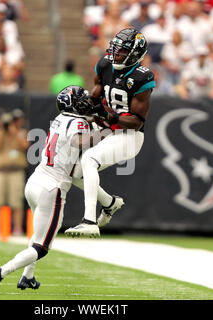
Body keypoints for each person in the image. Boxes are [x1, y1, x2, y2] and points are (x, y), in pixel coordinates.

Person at [0, 86, 116, 294]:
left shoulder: (59, 119)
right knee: (42, 248)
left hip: (35, 181)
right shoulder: (78, 122)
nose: (86, 103)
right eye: (82, 100)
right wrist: (107, 130)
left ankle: (27, 276)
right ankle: (1, 271)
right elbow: (79, 140)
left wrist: (94, 121)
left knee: (38, 235)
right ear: (74, 104)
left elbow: (76, 129)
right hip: (52, 188)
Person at [64, 28, 155, 238]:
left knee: (89, 159)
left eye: (121, 51)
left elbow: (137, 122)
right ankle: (110, 203)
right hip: (106, 129)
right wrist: (88, 103)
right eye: (115, 49)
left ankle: (89, 221)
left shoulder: (142, 78)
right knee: (73, 172)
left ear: (135, 55)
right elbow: (96, 96)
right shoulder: (105, 64)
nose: (115, 55)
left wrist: (109, 116)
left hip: (129, 136)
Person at [0, 109, 29, 236]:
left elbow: (24, 146)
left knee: (16, 201)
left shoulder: (22, 133)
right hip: (0, 171)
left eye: (18, 120)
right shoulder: (0, 132)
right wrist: (2, 131)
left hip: (16, 171)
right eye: (14, 120)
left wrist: (14, 132)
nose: (16, 122)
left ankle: (17, 228)